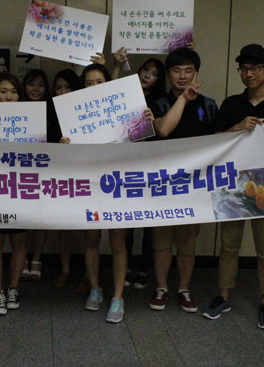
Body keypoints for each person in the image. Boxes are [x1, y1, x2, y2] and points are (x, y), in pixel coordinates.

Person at [202, 44, 264, 331]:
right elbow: (214, 142)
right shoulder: (231, 105)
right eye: (244, 69)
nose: (249, 74)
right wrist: (236, 128)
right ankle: (223, 296)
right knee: (228, 246)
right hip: (232, 186)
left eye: (255, 68)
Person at [149, 47, 217, 313]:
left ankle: (184, 289)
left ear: (196, 73)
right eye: (176, 70)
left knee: (188, 242)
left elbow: (220, 142)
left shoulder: (209, 105)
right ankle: (162, 288)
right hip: (163, 185)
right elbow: (164, 130)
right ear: (168, 74)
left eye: (189, 70)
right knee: (162, 242)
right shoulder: (159, 104)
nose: (182, 76)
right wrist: (184, 99)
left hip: (195, 187)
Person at [62, 63, 128, 323]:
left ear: (107, 84)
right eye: (89, 83)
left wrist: (143, 122)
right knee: (91, 239)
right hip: (88, 183)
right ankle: (95, 288)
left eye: (99, 82)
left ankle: (118, 297)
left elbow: (139, 144)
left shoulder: (124, 110)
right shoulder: (74, 114)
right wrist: (64, 145)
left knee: (118, 242)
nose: (94, 87)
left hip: (117, 182)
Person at [112, 52, 168, 289]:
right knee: (126, 224)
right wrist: (116, 65)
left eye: (154, 74)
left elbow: (164, 131)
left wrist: (152, 120)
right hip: (124, 166)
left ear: (159, 80)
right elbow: (108, 96)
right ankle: (125, 269)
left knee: (149, 224)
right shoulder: (125, 92)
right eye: (146, 70)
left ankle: (143, 268)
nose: (147, 75)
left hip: (150, 167)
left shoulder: (161, 102)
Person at [0, 71, 28, 315]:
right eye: (3, 92)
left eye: (13, 92)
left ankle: (13, 288)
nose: (9, 96)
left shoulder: (30, 121)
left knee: (19, 242)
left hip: (21, 188)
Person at [48, 69, 84, 289]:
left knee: (91, 229)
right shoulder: (50, 112)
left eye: (67, 87)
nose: (62, 92)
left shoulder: (87, 109)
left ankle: (89, 275)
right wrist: (58, 147)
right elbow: (43, 147)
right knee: (64, 227)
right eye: (58, 88)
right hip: (62, 174)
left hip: (88, 174)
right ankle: (65, 268)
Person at [20, 69, 51, 282]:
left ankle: (37, 258)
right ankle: (21, 258)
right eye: (32, 84)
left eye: (40, 85)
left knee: (41, 216)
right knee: (21, 216)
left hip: (45, 169)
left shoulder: (53, 109)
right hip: (18, 169)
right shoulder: (16, 107)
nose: (36, 89)